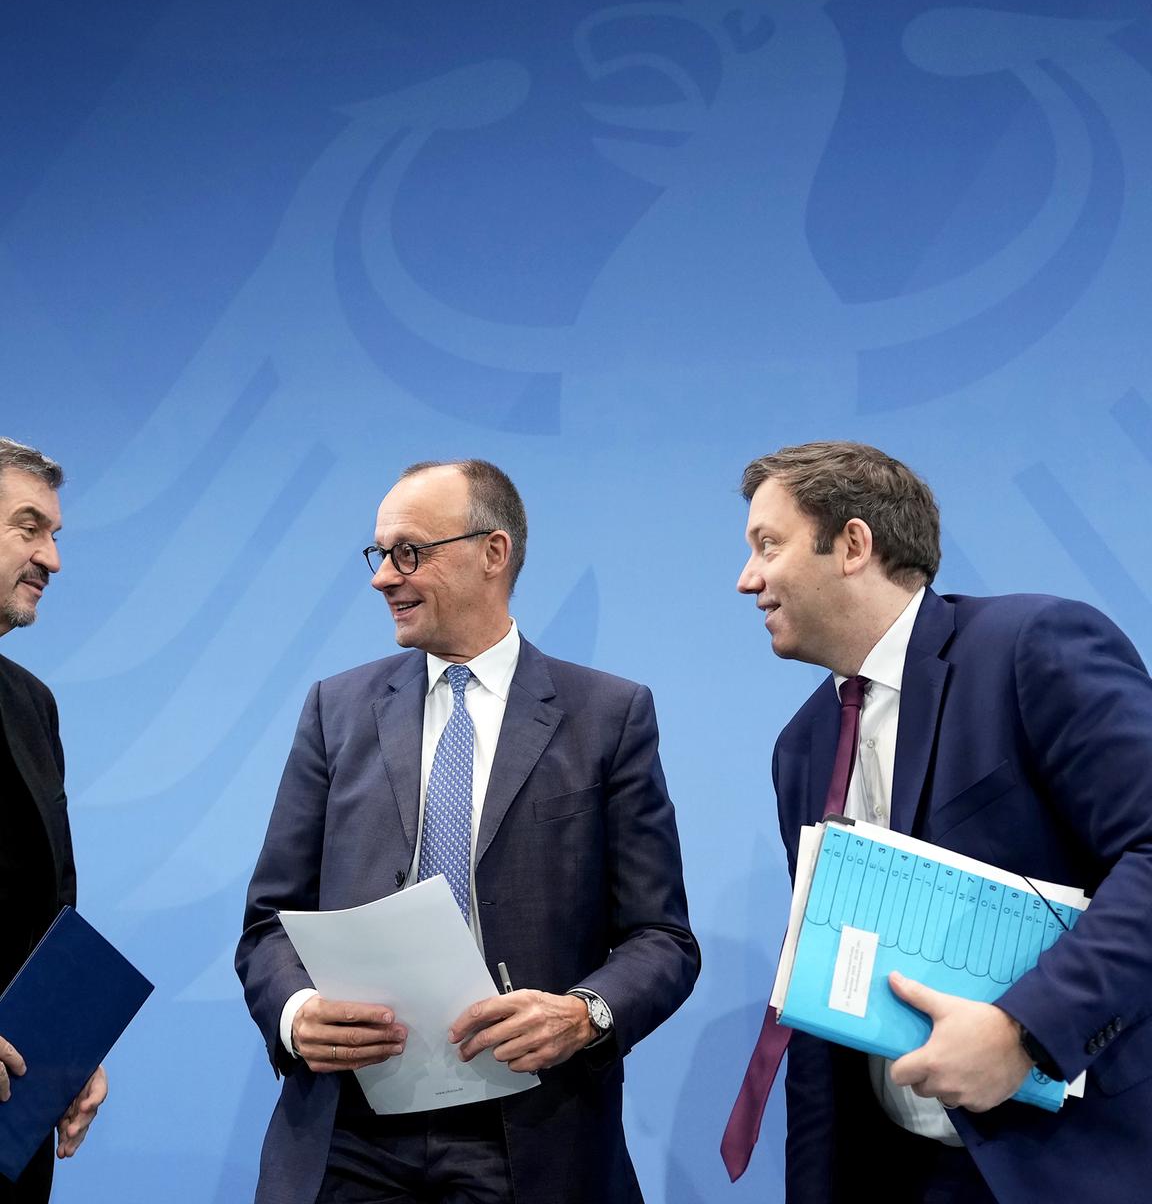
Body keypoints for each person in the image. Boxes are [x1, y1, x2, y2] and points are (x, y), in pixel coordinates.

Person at [237, 459, 698, 1204]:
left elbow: (662, 940)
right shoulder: (336, 710)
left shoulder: (607, 717)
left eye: (409, 552)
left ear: (493, 553)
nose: (383, 576)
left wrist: (585, 1014)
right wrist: (296, 1015)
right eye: (380, 554)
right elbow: (269, 924)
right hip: (349, 1131)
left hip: (528, 1133)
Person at [728, 441, 1152, 1204]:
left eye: (768, 545)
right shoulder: (802, 746)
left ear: (853, 544)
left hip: (1077, 1165)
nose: (747, 578)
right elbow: (825, 1000)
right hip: (904, 1178)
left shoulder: (1032, 647)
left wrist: (1025, 1031)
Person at [0, 438, 107, 1202]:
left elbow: (48, 909)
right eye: (28, 528)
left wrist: (71, 1048)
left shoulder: (31, 705)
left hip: (14, 1123)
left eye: (55, 536)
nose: (52, 559)